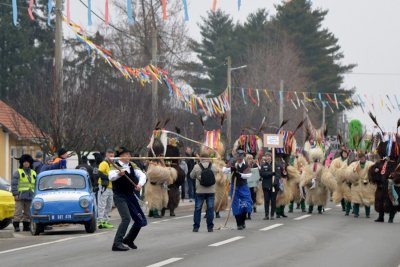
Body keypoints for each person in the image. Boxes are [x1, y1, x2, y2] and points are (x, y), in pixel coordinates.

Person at [109, 146, 147, 252]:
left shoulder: (132, 165)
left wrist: (140, 185)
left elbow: (142, 175)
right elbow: (110, 177)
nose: (129, 156)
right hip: (120, 196)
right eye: (126, 154)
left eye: (129, 154)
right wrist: (118, 174)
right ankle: (117, 243)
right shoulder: (115, 166)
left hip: (130, 195)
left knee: (141, 220)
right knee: (126, 218)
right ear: (120, 156)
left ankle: (129, 239)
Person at [222, 150, 253, 230]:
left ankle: (243, 221)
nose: (239, 159)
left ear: (243, 157)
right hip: (234, 186)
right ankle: (239, 223)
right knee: (235, 205)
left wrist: (240, 175)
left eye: (240, 157)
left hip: (243, 186)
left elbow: (249, 175)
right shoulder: (232, 161)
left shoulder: (246, 163)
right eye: (238, 157)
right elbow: (224, 170)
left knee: (246, 203)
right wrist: (231, 169)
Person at [190, 149, 217, 232]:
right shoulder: (213, 166)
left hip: (200, 191)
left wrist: (198, 177)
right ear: (208, 157)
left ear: (200, 157)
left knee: (198, 209)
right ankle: (210, 227)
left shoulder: (196, 166)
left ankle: (196, 227)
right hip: (211, 190)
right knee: (210, 209)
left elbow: (191, 176)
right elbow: (216, 174)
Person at [11, 154, 36, 232]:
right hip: (20, 196)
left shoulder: (33, 172)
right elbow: (14, 184)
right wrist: (15, 194)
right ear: (22, 163)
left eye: (27, 162)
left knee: (28, 213)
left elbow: (36, 184)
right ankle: (16, 226)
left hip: (30, 196)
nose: (26, 163)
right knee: (18, 212)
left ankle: (26, 226)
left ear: (30, 163)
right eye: (24, 162)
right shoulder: (18, 172)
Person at [259, 151, 281, 220]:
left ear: (271, 157)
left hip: (274, 186)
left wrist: (275, 182)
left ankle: (272, 215)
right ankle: (266, 215)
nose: (267, 157)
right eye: (266, 156)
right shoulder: (263, 165)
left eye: (269, 156)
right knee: (266, 200)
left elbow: (278, 175)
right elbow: (262, 174)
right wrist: (271, 173)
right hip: (266, 185)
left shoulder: (276, 165)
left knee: (273, 200)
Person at [97, 149, 115, 229]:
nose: (112, 157)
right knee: (102, 204)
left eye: (113, 156)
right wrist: (108, 178)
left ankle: (105, 220)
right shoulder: (104, 163)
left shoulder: (112, 164)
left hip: (110, 187)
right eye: (110, 156)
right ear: (106, 155)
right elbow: (99, 173)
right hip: (104, 186)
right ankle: (100, 221)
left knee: (109, 205)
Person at [245, 154, 259, 219]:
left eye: (251, 158)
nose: (250, 160)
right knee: (246, 199)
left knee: (252, 198)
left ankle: (250, 213)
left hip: (252, 185)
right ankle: (245, 213)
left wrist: (256, 185)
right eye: (248, 158)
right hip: (245, 185)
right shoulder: (244, 165)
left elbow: (257, 176)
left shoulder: (255, 165)